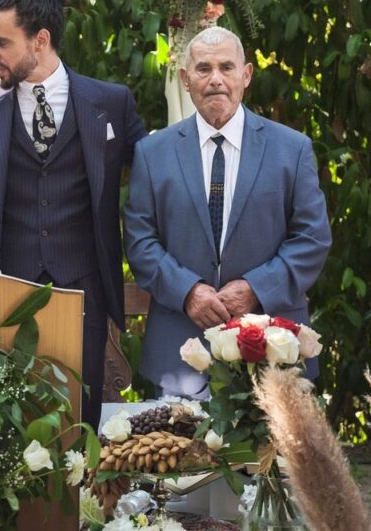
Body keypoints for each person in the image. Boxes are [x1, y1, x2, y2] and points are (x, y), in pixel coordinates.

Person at [0, 0, 146, 428]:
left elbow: (158, 175)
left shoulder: (110, 101)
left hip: (85, 288)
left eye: (1, 42)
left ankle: (87, 503)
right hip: (4, 285)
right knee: (8, 420)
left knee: (83, 416)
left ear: (40, 40)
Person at [123, 26, 332, 398]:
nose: (216, 79)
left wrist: (256, 288)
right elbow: (140, 240)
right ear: (186, 80)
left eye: (226, 67)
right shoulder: (153, 153)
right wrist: (188, 291)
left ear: (246, 75)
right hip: (180, 355)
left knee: (271, 458)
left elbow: (312, 238)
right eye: (203, 69)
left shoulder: (292, 150)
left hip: (273, 346)